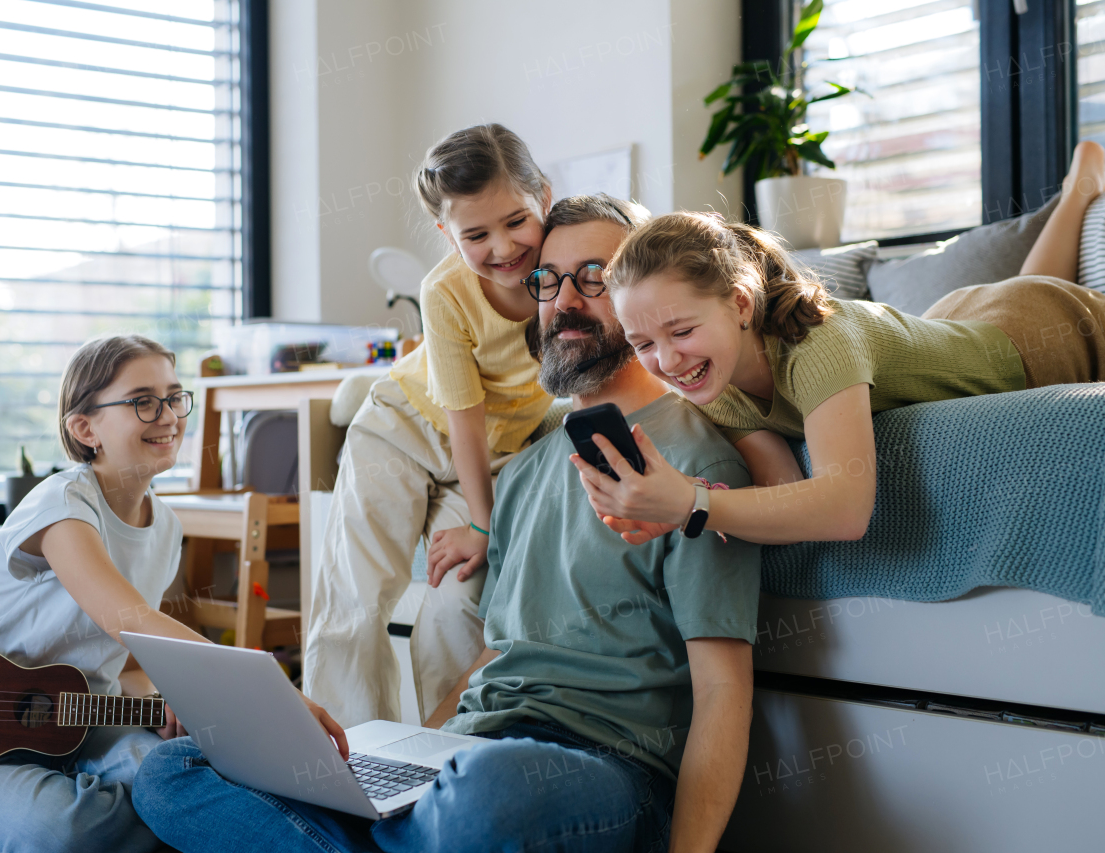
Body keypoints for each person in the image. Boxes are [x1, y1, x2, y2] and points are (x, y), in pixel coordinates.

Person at [131, 194, 760, 853]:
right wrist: (411, 753)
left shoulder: (695, 469)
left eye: (595, 276)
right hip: (470, 755)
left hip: (598, 771)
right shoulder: (521, 472)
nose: (564, 300)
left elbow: (721, 689)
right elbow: (496, 650)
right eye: (547, 279)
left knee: (486, 788)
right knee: (176, 766)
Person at [572, 141, 1105, 548]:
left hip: (1042, 337)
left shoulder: (819, 343)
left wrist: (692, 505)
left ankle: (1082, 185)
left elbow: (845, 508)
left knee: (1052, 296)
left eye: (681, 331)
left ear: (741, 304)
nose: (667, 361)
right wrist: (678, 510)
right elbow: (789, 496)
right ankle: (1079, 187)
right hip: (959, 318)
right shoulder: (711, 383)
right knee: (1020, 285)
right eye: (642, 342)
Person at [0, 334, 346, 853]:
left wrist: (167, 700)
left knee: (188, 774)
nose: (167, 415)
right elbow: (132, 621)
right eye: (142, 401)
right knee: (62, 832)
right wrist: (276, 697)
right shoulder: (62, 507)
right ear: (84, 427)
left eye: (174, 396)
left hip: (87, 725)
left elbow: (122, 665)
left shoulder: (164, 528)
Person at [304, 124, 557, 728]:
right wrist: (482, 521)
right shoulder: (445, 290)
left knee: (456, 605)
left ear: (544, 197)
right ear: (448, 235)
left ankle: (439, 747)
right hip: (404, 430)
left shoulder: (568, 268)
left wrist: (479, 531)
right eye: (476, 234)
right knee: (359, 597)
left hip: (492, 457)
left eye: (516, 221)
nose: (502, 246)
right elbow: (463, 421)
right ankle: (337, 754)